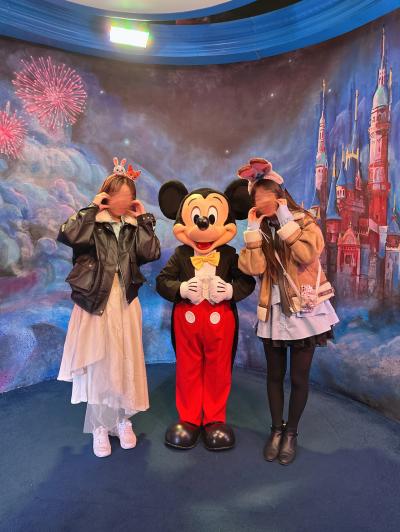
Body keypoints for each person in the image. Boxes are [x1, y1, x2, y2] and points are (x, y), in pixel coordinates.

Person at [238, 158, 339, 465]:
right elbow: (253, 268)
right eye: (257, 200)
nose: (262, 204)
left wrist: (284, 218)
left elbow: (307, 253)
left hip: (305, 311)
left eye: (267, 198)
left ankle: (291, 432)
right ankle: (276, 430)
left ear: (279, 196)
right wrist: (252, 229)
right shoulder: (259, 229)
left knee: (298, 377)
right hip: (274, 311)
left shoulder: (304, 221)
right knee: (273, 375)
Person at [57, 158, 160, 458]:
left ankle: (122, 420)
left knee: (125, 358)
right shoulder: (92, 222)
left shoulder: (133, 225)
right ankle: (100, 426)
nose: (122, 202)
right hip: (96, 301)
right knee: (100, 360)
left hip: (125, 302)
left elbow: (151, 252)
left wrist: (143, 220)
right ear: (106, 195)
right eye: (117, 195)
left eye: (128, 196)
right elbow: (68, 235)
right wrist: (92, 207)